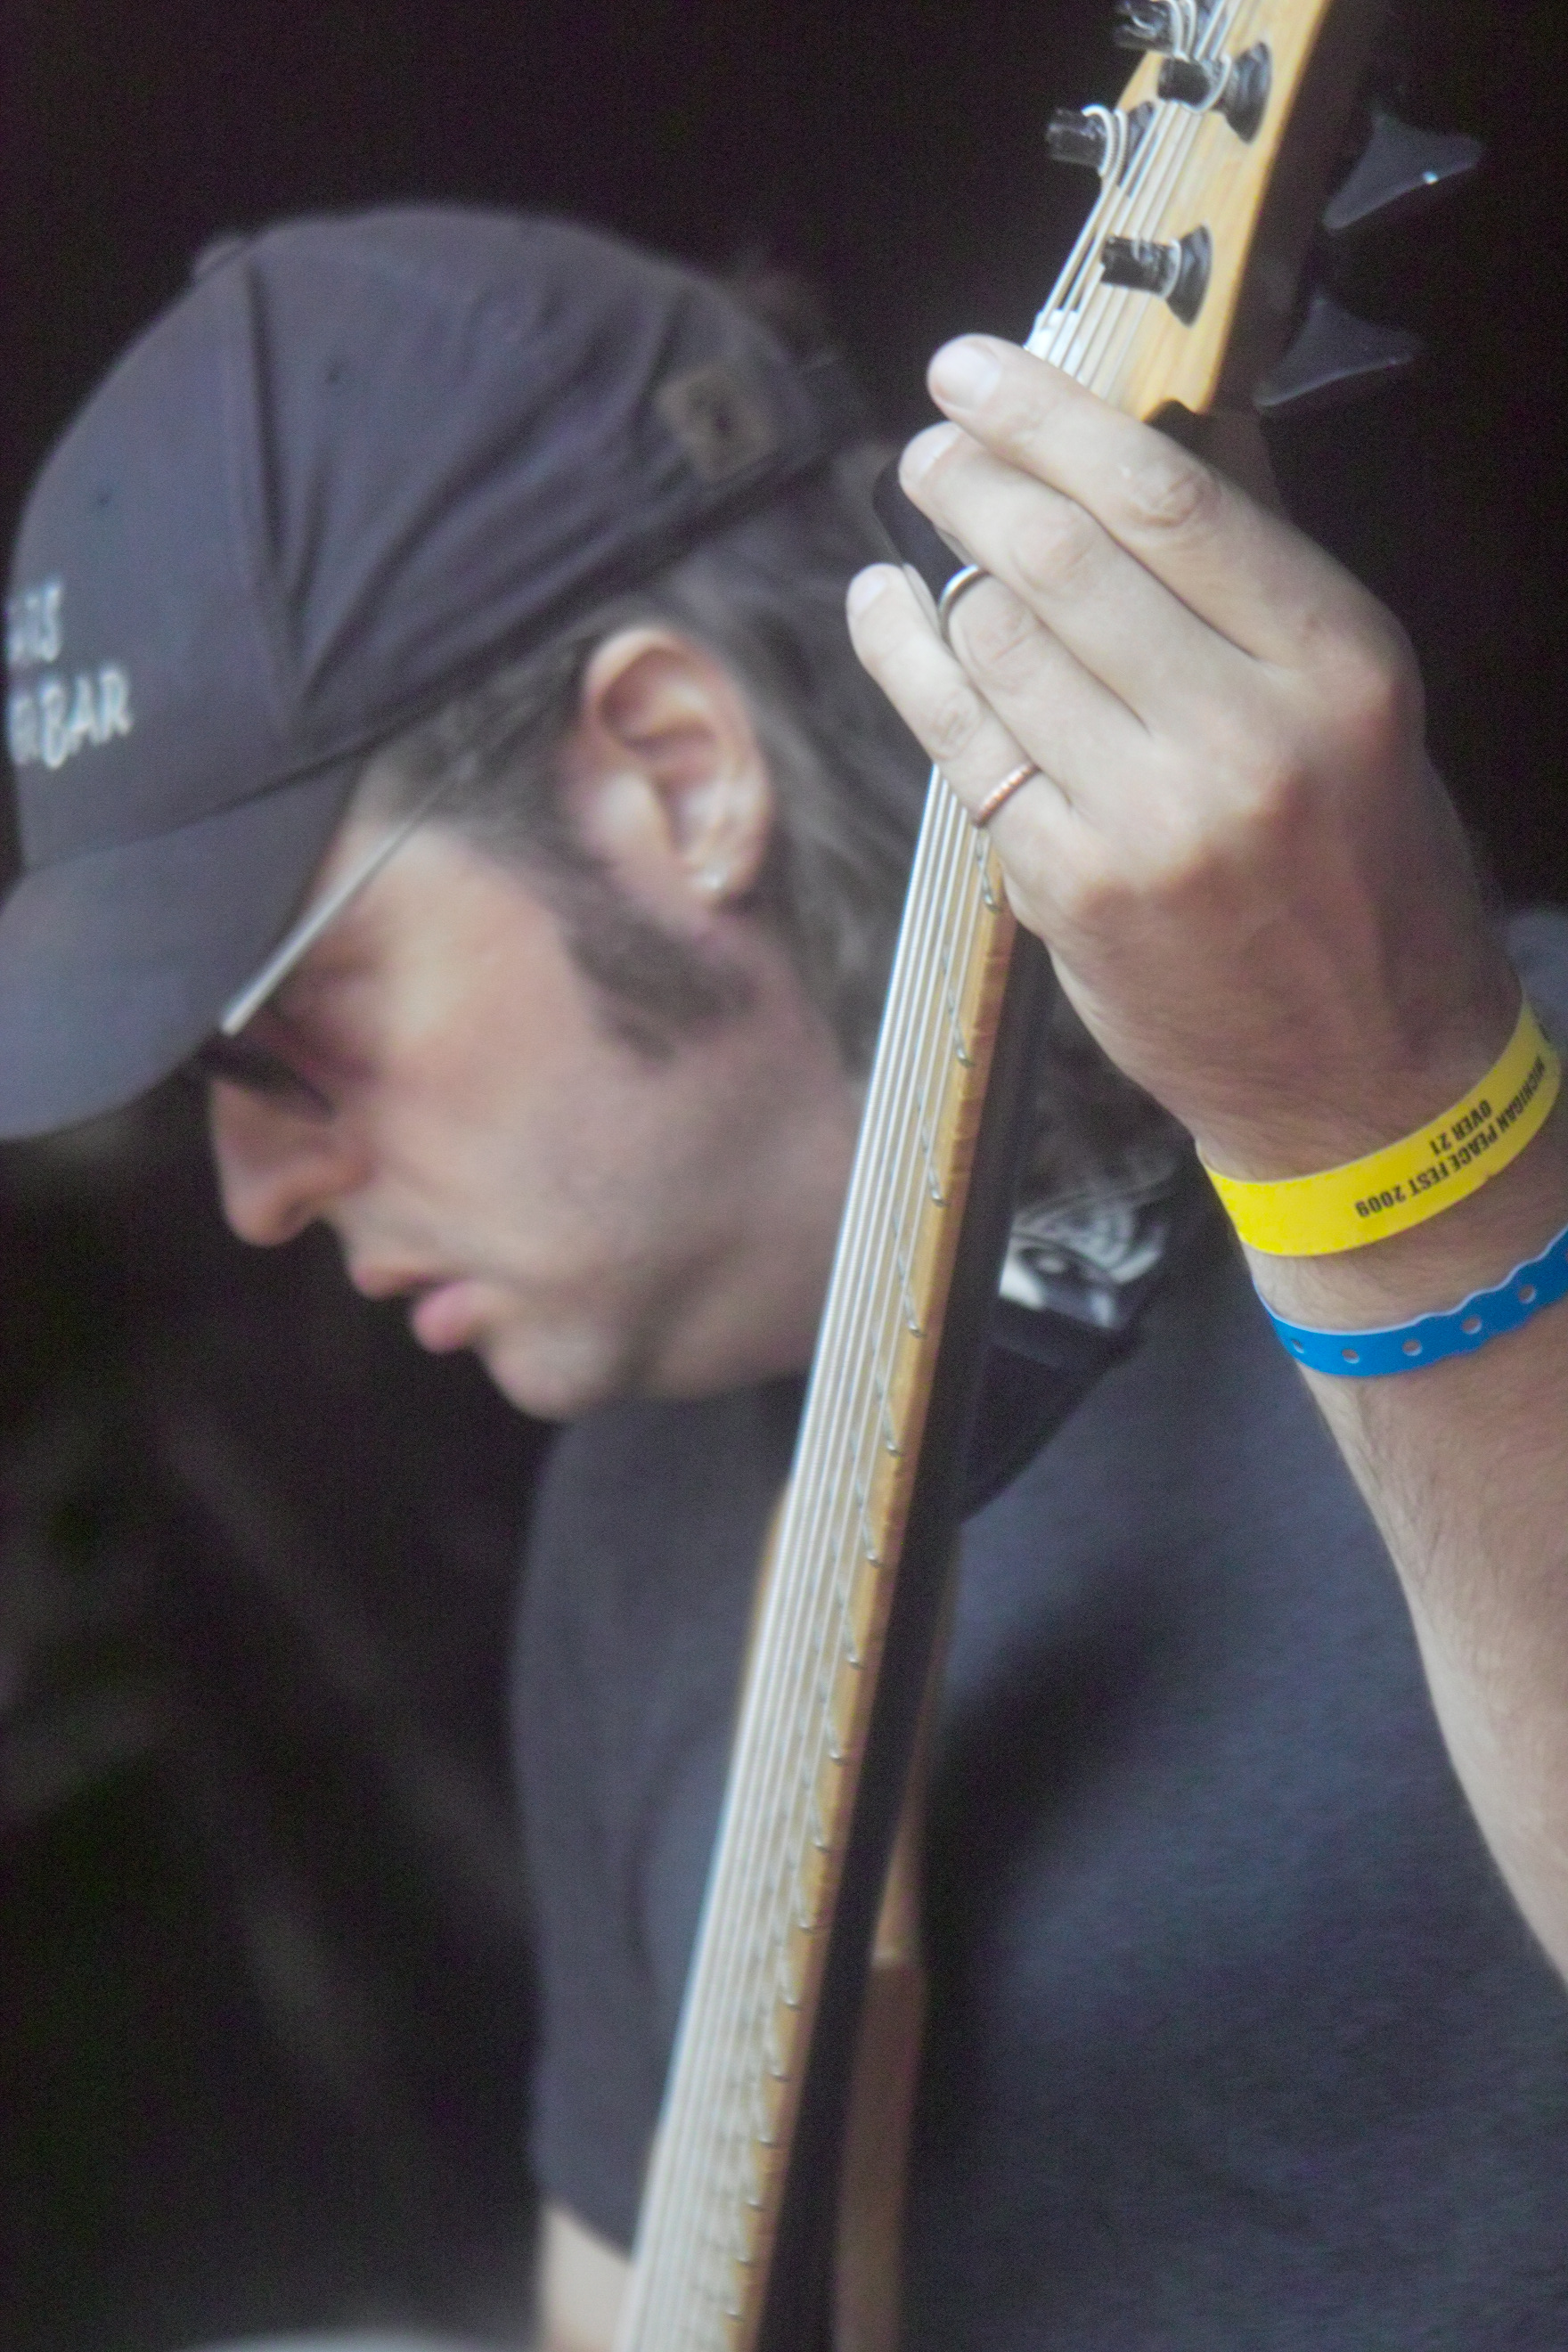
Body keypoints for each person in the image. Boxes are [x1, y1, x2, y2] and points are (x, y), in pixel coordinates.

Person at [4, 206, 1568, 2350]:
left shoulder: (1520, 1114)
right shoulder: (636, 1518)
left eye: (272, 1034)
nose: (252, 1192)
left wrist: (1384, 1144)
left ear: (676, 772)